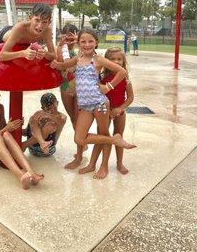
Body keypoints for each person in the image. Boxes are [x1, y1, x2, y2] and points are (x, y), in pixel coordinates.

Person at [50, 28, 136, 179]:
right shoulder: (77, 59)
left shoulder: (98, 59)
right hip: (85, 107)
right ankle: (114, 140)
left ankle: (103, 167)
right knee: (79, 138)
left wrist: (108, 87)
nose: (87, 44)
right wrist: (55, 52)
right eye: (83, 41)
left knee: (103, 132)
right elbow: (62, 65)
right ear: (78, 43)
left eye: (90, 41)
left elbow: (122, 72)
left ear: (96, 43)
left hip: (100, 103)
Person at [79, 47, 134, 178]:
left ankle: (119, 163)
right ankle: (92, 164)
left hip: (119, 111)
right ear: (106, 60)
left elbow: (131, 97)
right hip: (105, 110)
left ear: (123, 61)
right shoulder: (102, 76)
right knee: (102, 137)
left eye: (119, 59)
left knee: (118, 135)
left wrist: (120, 108)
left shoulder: (124, 77)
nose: (116, 61)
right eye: (112, 59)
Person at [56, 24, 84, 169]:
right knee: (73, 118)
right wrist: (60, 46)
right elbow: (61, 64)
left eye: (72, 36)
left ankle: (80, 147)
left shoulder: (82, 48)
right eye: (66, 36)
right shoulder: (61, 48)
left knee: (79, 120)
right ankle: (81, 142)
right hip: (66, 87)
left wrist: (78, 41)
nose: (69, 39)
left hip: (80, 89)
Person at [22, 93, 67, 157]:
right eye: (48, 109)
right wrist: (16, 127)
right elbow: (27, 132)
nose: (52, 111)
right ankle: (42, 143)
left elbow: (59, 121)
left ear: (57, 103)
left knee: (49, 126)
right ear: (42, 108)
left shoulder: (62, 117)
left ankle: (25, 145)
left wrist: (48, 115)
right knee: (33, 118)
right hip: (32, 148)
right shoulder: (38, 114)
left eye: (54, 107)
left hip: (47, 151)